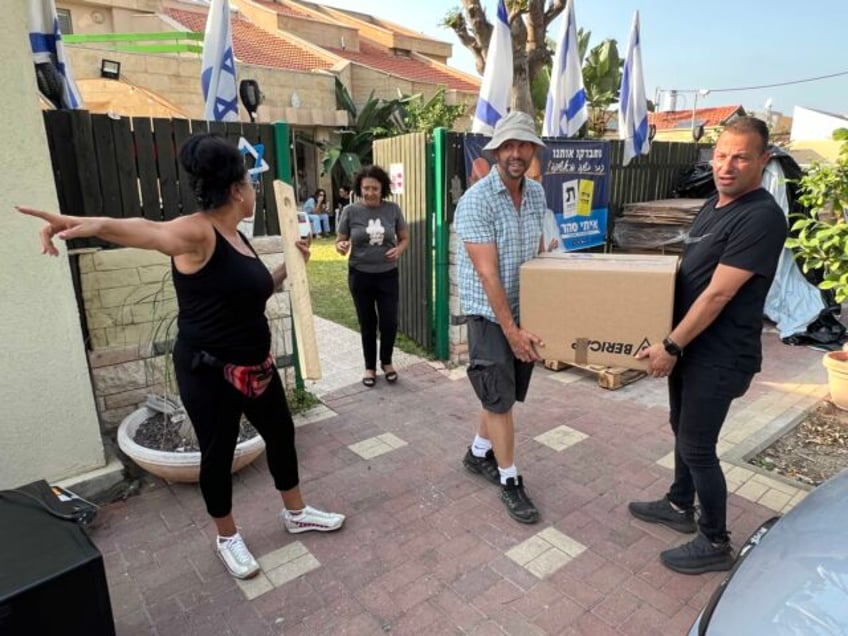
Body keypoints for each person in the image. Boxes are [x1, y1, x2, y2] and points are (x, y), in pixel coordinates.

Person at [16, 133, 345, 581]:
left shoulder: (236, 236)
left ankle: (296, 512)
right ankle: (227, 537)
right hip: (209, 371)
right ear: (236, 190)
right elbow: (150, 231)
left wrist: (289, 268)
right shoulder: (198, 230)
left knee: (281, 434)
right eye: (250, 183)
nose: (254, 191)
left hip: (254, 364)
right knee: (218, 452)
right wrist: (85, 223)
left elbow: (250, 294)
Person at [628, 117, 787, 574]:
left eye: (740, 157)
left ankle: (715, 540)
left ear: (763, 160)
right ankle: (680, 504)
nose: (727, 165)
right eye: (720, 155)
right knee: (682, 426)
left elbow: (718, 293)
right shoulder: (714, 205)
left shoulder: (761, 216)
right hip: (693, 348)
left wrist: (671, 346)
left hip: (719, 355)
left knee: (697, 445)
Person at [454, 111, 548, 524]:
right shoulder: (476, 200)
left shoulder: (538, 195)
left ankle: (478, 454)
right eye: (507, 146)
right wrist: (510, 331)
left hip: (523, 309)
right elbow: (488, 274)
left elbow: (540, 253)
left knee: (498, 396)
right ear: (495, 152)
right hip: (490, 315)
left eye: (523, 145)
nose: (515, 153)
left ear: (532, 150)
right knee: (501, 399)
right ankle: (509, 480)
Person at [335, 165, 409, 387]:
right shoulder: (350, 212)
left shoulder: (393, 210)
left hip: (387, 275)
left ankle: (386, 362)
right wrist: (342, 245)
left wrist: (400, 249)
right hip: (360, 275)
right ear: (359, 188)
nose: (369, 193)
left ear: (382, 188)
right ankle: (370, 367)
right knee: (367, 323)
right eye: (365, 188)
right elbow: (340, 240)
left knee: (389, 321)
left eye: (374, 188)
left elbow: (404, 237)